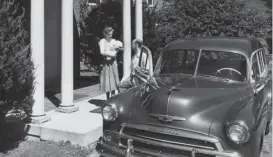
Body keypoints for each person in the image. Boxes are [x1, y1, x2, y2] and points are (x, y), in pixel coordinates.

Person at [99, 27, 123, 100]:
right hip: (106, 63)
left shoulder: (114, 41)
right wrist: (111, 54)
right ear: (105, 34)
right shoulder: (102, 41)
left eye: (111, 34)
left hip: (113, 62)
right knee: (107, 80)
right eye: (109, 34)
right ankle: (107, 99)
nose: (110, 36)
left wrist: (117, 49)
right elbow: (102, 52)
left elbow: (121, 48)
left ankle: (112, 98)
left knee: (113, 80)